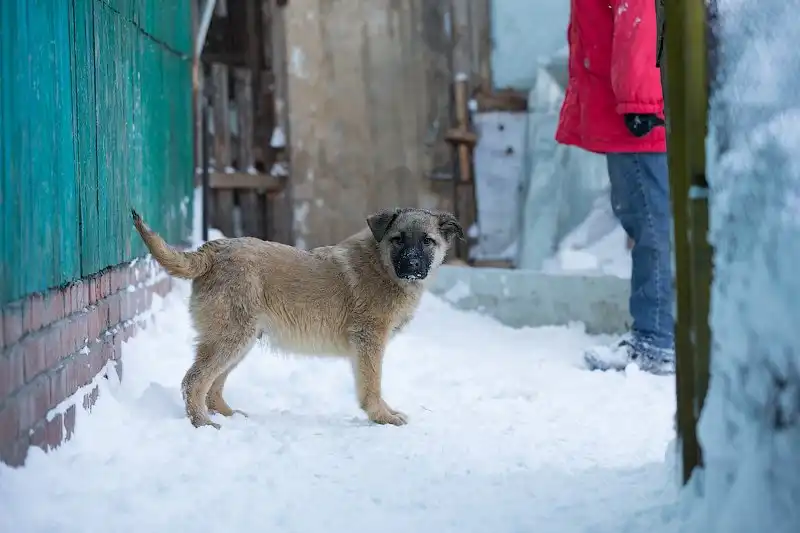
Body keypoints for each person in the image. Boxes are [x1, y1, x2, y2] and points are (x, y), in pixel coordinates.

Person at [555, 0, 675, 375]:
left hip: (637, 116)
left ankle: (656, 339)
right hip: (633, 106)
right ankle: (666, 333)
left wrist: (640, 101)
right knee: (651, 222)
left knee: (652, 224)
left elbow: (640, 16)